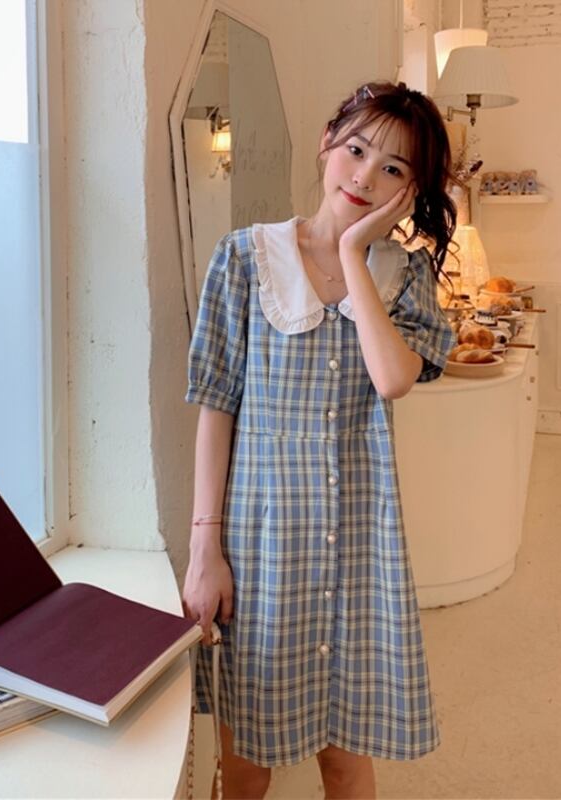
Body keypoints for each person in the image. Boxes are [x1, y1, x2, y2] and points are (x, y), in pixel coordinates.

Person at [183, 80, 457, 799]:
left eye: (393, 168)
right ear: (326, 144)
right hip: (263, 549)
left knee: (345, 760)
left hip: (360, 549)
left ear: (411, 189)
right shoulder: (246, 258)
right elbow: (216, 405)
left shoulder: (404, 274)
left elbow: (392, 379)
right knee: (247, 766)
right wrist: (204, 550)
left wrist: (356, 250)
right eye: (356, 150)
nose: (365, 176)